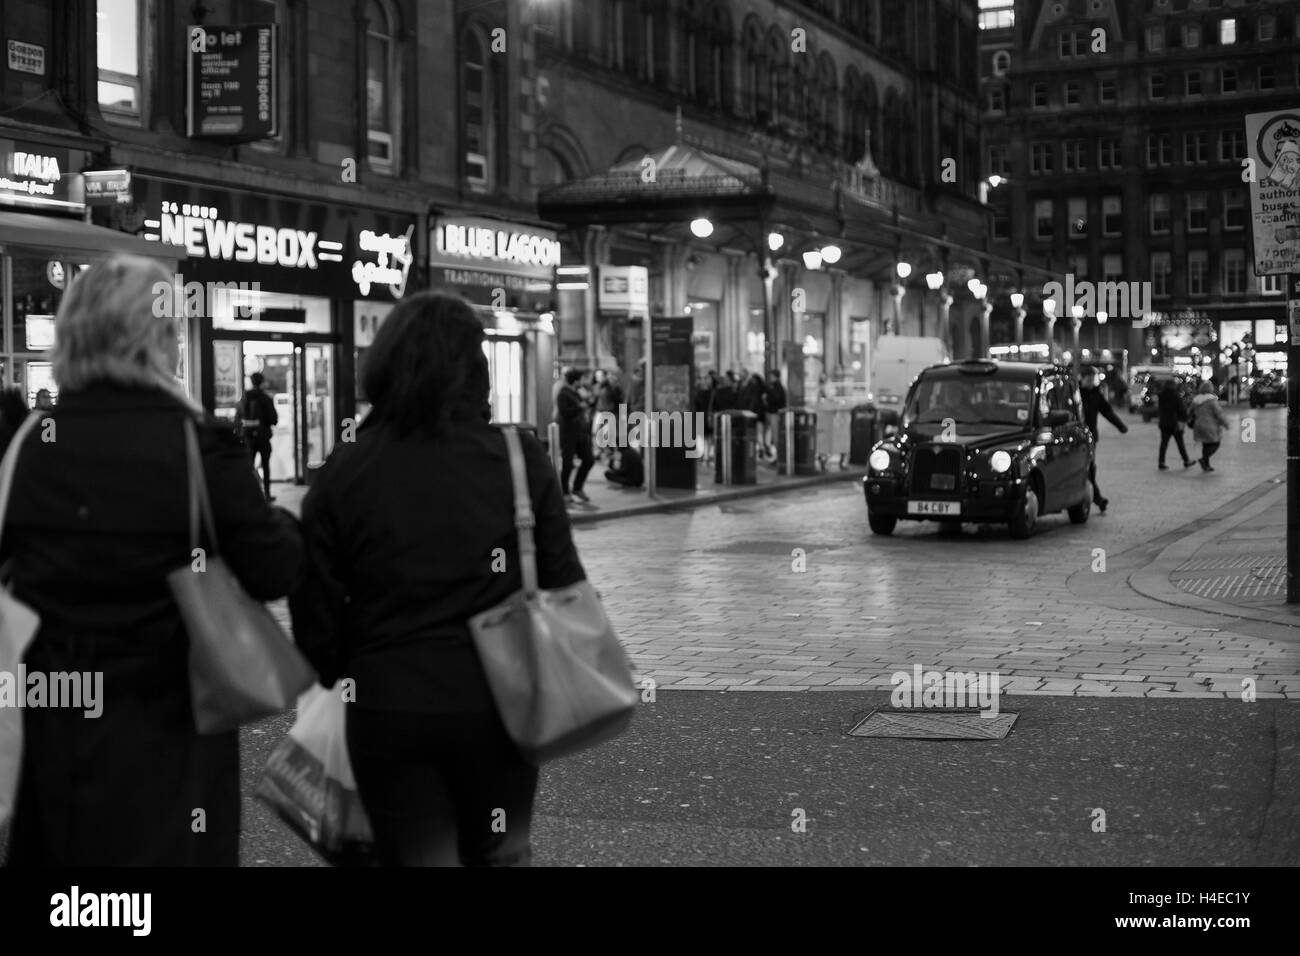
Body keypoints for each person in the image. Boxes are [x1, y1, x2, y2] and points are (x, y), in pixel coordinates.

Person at [0, 255, 303, 866]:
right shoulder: (197, 443)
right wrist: (290, 523)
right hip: (169, 727)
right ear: (158, 338)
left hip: (57, 728)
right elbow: (274, 568)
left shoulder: (33, 442)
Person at [290, 291, 587, 867]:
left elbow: (315, 621)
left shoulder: (343, 471)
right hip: (501, 705)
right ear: (474, 369)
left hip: (389, 706)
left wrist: (355, 662)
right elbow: (562, 580)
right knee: (500, 854)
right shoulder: (517, 457)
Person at [1079, 365, 1128, 514]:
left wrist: (1120, 426)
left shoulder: (1095, 394)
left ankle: (1096, 497)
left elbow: (1107, 411)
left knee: (1090, 468)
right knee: (1085, 468)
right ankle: (1096, 498)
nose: (1091, 381)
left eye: (1093, 378)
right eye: (1089, 378)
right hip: (1077, 437)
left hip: (1090, 438)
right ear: (1083, 378)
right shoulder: (1076, 393)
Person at [555, 367, 595, 504]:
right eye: (582, 379)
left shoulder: (576, 393)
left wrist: (589, 400)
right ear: (576, 380)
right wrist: (580, 406)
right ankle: (565, 491)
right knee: (567, 463)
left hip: (581, 433)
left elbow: (586, 405)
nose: (583, 381)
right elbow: (564, 412)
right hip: (568, 434)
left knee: (589, 459)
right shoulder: (563, 393)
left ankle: (577, 488)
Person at [239, 371, 278, 501]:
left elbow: (238, 417)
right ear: (261, 382)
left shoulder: (244, 398)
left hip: (248, 437)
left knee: (249, 466)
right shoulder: (265, 398)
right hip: (263, 437)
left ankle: (249, 495)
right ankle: (266, 494)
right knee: (266, 466)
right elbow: (274, 419)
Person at [1189, 379, 1230, 472]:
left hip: (1198, 425)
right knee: (1216, 443)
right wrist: (1225, 423)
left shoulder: (1196, 399)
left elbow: (1189, 411)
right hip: (1210, 425)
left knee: (1206, 444)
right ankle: (1204, 460)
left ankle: (1206, 465)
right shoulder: (1211, 400)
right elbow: (1219, 413)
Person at [1156, 378, 1195, 470]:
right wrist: (1186, 419)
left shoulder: (1161, 396)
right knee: (1180, 443)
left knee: (1163, 444)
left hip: (1164, 423)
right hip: (1175, 424)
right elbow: (1181, 409)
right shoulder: (1175, 396)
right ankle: (1186, 461)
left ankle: (1161, 462)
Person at [763, 369, 787, 459]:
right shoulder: (775, 386)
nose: (770, 378)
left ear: (775, 376)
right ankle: (776, 454)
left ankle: (779, 455)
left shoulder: (777, 387)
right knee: (772, 433)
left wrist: (767, 397)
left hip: (775, 413)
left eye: (771, 376)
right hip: (773, 412)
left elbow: (775, 398)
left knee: (776, 434)